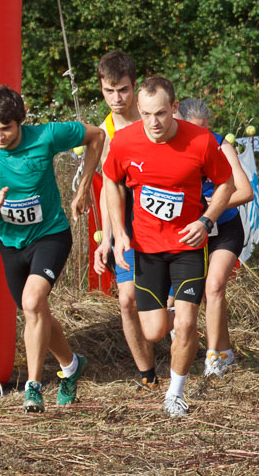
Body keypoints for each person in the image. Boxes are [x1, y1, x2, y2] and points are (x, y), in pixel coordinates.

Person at [0, 85, 104, 412]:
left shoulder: (45, 136)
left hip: (50, 235)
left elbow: (97, 135)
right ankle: (72, 366)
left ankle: (33, 388)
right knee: (35, 311)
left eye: (6, 128)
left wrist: (84, 186)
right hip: (10, 243)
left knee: (32, 302)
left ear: (21, 122)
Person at [97, 76, 235, 417]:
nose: (153, 123)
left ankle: (175, 392)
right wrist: (117, 231)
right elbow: (111, 182)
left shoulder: (201, 141)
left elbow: (227, 184)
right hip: (146, 246)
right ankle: (184, 330)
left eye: (160, 113)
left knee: (186, 324)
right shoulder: (125, 142)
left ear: (175, 108)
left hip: (188, 245)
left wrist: (205, 221)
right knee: (155, 331)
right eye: (145, 114)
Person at [92, 50, 159, 389]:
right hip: (127, 227)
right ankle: (148, 374)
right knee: (126, 300)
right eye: (109, 91)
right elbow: (108, 187)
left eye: (123, 90)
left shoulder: (153, 117)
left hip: (165, 224)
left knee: (167, 306)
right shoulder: (105, 130)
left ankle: (182, 363)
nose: (116, 99)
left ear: (136, 86)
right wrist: (107, 237)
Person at [177, 98, 255, 378]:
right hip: (189, 231)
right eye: (195, 130)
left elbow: (246, 191)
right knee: (192, 296)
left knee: (215, 286)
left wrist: (216, 205)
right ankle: (225, 349)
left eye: (205, 130)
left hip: (224, 228)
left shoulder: (221, 145)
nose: (202, 136)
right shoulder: (171, 147)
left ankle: (213, 358)